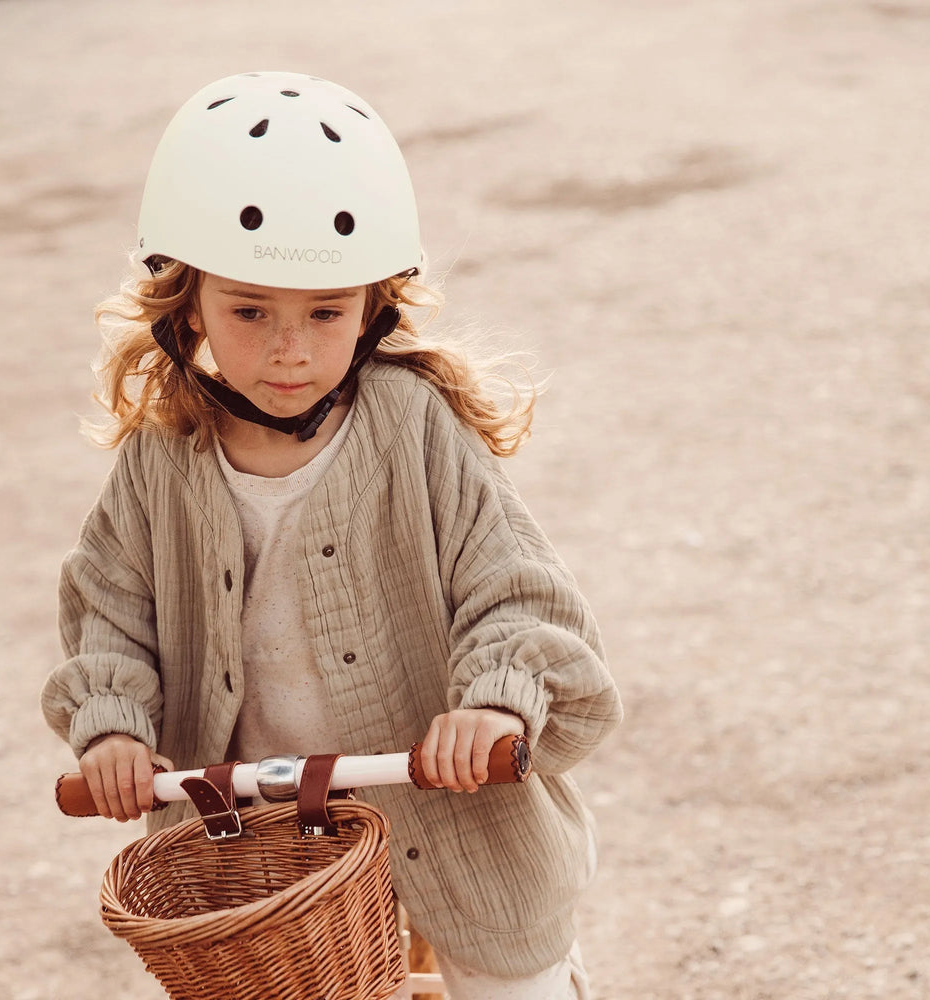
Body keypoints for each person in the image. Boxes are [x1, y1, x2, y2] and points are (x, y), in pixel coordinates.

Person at [41, 71, 622, 1000]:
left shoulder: (414, 427)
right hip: (261, 829)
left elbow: (512, 588)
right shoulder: (163, 456)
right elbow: (111, 605)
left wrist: (500, 702)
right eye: (249, 311)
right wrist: (112, 729)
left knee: (513, 976)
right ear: (187, 302)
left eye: (325, 312)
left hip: (447, 792)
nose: (290, 350)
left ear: (373, 309)